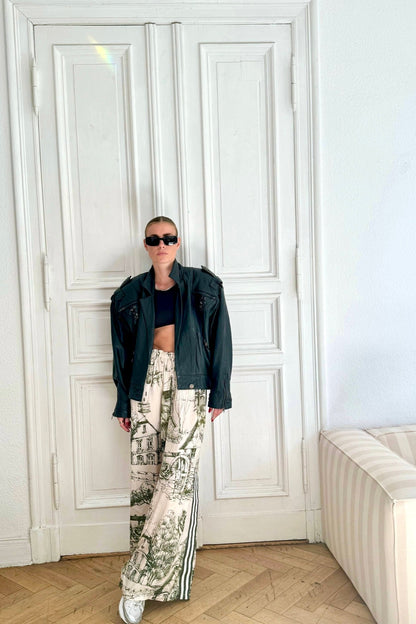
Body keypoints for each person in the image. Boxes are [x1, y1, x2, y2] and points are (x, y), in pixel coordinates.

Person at [110, 216, 233, 624]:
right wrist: (123, 402)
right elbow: (121, 353)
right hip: (144, 385)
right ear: (145, 245)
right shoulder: (128, 294)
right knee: (146, 482)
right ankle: (158, 581)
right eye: (154, 239)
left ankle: (137, 584)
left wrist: (221, 391)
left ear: (178, 243)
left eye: (169, 237)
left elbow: (221, 339)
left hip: (191, 384)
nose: (162, 244)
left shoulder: (203, 286)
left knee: (176, 484)